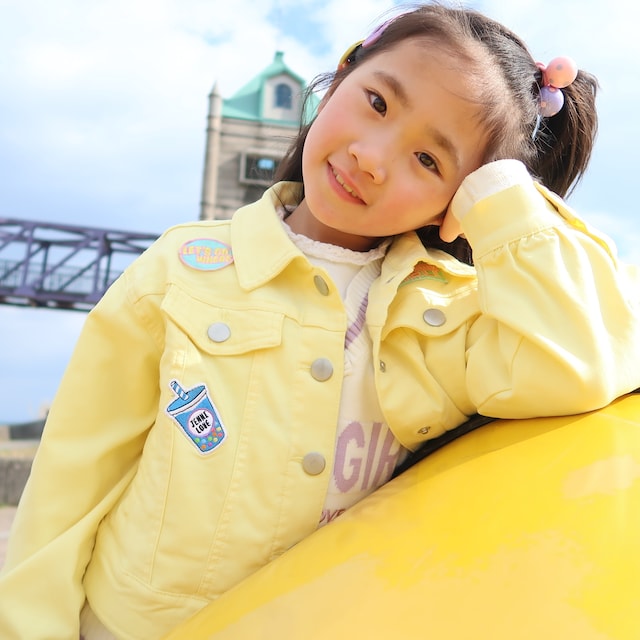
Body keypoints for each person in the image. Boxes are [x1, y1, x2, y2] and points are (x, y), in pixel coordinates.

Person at [2, 3, 640, 638]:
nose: (372, 157)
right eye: (378, 102)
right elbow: (70, 484)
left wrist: (503, 195)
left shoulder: (445, 313)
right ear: (337, 81)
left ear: (454, 205)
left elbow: (579, 363)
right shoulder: (179, 272)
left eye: (430, 161)